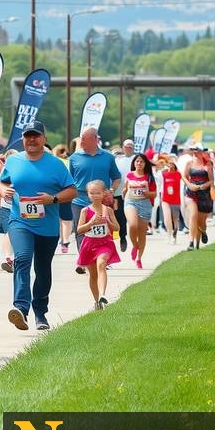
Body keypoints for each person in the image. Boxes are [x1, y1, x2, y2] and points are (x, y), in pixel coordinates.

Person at [0, 121, 77, 332]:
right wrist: (3, 190)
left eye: (36, 136)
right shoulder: (13, 161)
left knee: (42, 270)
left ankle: (40, 312)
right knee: (22, 258)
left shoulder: (56, 164)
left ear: (44, 139)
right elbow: (0, 181)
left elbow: (72, 191)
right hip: (19, 221)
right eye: (27, 136)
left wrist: (54, 199)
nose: (31, 139)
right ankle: (20, 308)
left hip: (47, 226)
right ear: (23, 139)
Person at [69, 127, 121, 272]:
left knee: (103, 229)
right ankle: (84, 261)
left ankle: (102, 257)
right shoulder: (74, 158)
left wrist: (111, 191)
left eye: (84, 139)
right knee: (80, 230)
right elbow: (70, 179)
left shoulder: (108, 157)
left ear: (94, 139)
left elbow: (116, 177)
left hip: (101, 200)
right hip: (79, 199)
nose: (81, 141)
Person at [75, 180, 121, 310]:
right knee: (93, 274)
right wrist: (91, 223)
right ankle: (97, 302)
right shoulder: (85, 210)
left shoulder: (108, 210)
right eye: (92, 193)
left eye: (98, 193)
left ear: (103, 193)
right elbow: (79, 230)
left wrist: (107, 222)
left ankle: (103, 295)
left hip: (105, 243)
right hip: (89, 244)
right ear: (87, 194)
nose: (95, 195)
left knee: (102, 263)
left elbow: (116, 227)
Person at [122, 153, 156, 269]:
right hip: (131, 202)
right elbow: (125, 189)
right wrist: (123, 193)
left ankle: (139, 258)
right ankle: (134, 246)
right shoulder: (129, 175)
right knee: (132, 224)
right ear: (134, 163)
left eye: (141, 161)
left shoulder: (149, 177)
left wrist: (148, 194)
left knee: (142, 234)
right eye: (137, 161)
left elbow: (155, 193)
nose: (139, 163)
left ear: (145, 164)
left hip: (145, 204)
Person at [183, 146, 214, 250]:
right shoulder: (189, 163)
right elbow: (184, 176)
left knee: (201, 221)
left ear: (202, 152)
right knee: (193, 215)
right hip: (191, 192)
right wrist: (190, 185)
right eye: (193, 151)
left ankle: (201, 234)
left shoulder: (207, 164)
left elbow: (211, 180)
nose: (195, 153)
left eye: (197, 151)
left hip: (204, 194)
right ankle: (191, 242)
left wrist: (204, 185)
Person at [159, 157, 183, 245]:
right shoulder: (164, 173)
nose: (170, 165)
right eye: (169, 163)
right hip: (165, 198)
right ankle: (169, 234)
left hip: (176, 199)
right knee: (167, 217)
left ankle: (174, 234)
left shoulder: (178, 174)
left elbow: (184, 178)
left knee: (175, 219)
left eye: (172, 163)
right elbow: (157, 176)